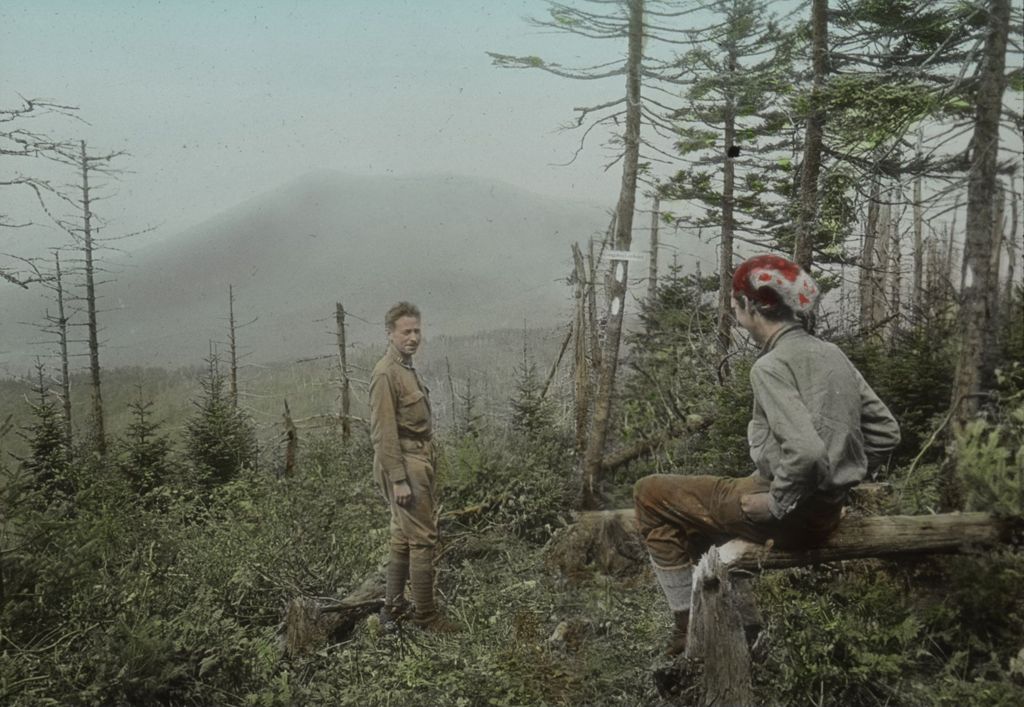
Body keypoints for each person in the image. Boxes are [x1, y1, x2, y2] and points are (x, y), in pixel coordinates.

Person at [633, 254, 900, 655]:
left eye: (735, 303)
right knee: (697, 509)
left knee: (650, 494)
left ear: (751, 308)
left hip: (790, 518)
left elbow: (808, 452)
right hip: (825, 513)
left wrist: (778, 503)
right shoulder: (832, 354)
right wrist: (835, 485)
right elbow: (886, 433)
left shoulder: (770, 366)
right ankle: (748, 628)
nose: (733, 310)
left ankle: (688, 632)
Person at [370, 302, 457, 633]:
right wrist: (399, 480)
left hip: (415, 460)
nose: (413, 337)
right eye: (406, 331)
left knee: (403, 536)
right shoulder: (385, 374)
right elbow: (383, 433)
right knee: (422, 538)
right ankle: (426, 617)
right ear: (390, 333)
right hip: (403, 463)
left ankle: (392, 610)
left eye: (417, 330)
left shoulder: (405, 368)